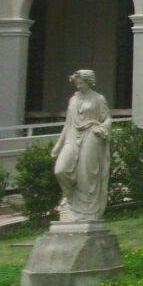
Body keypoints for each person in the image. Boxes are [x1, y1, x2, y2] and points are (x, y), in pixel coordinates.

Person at [52, 69, 112, 222]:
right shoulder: (73, 100)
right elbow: (67, 124)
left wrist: (102, 128)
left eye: (81, 83)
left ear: (89, 82)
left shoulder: (98, 99)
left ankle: (87, 210)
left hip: (91, 135)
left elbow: (107, 119)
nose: (78, 86)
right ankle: (69, 199)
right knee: (60, 170)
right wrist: (58, 145)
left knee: (86, 175)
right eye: (77, 83)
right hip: (72, 136)